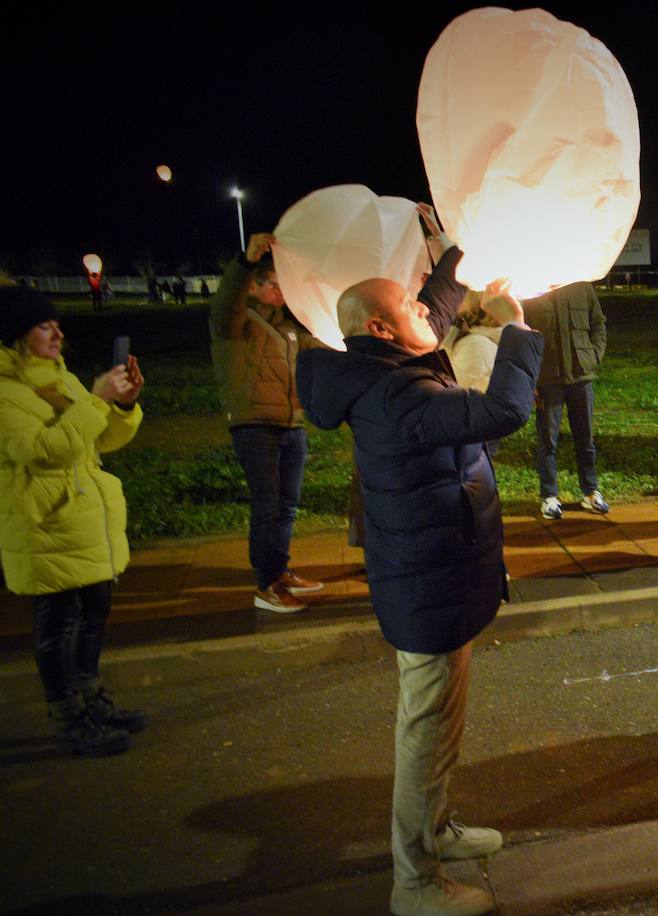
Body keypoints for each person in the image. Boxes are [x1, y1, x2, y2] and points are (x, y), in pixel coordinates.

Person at [297, 271, 541, 916]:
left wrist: (457, 251)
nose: (424, 309)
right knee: (426, 732)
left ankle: (436, 831)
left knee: (441, 722)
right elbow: (505, 410)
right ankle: (415, 884)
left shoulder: (386, 370)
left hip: (437, 575)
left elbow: (430, 308)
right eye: (407, 305)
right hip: (426, 581)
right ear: (380, 329)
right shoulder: (397, 392)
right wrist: (515, 325)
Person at [0, 286, 149, 757]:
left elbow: (96, 440)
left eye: (56, 323)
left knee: (93, 615)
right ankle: (67, 718)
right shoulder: (5, 393)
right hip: (45, 526)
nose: (58, 332)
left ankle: (92, 700)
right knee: (58, 625)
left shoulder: (59, 379)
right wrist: (96, 401)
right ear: (16, 336)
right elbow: (43, 452)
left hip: (84, 522)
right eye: (45, 325)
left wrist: (121, 404)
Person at [208, 231, 327, 613]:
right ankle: (267, 585)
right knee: (267, 505)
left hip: (291, 425)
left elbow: (323, 344)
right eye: (275, 284)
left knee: (287, 506)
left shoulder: (287, 327)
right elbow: (227, 302)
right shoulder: (236, 324)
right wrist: (246, 261)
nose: (281, 291)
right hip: (256, 425)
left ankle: (281, 570)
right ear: (255, 288)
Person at [522, 281, 609, 519]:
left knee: (586, 438)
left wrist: (593, 356)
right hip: (548, 378)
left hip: (582, 375)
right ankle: (549, 496)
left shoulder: (583, 287)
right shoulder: (533, 288)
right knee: (548, 441)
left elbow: (598, 323)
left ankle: (590, 492)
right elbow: (523, 336)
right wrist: (530, 380)